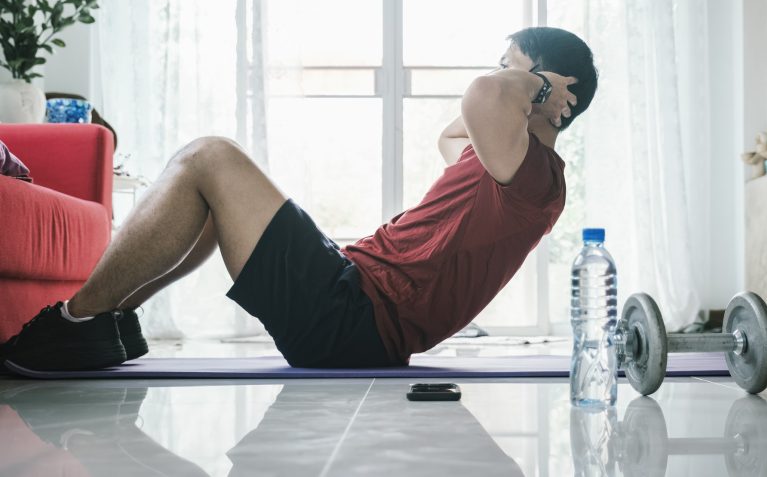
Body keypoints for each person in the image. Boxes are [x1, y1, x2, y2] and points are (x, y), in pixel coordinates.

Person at [0, 26, 598, 371]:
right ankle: (111, 319)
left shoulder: (531, 178)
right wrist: (526, 87)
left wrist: (536, 85)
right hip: (353, 298)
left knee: (209, 156)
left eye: (512, 67)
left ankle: (71, 322)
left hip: (356, 319)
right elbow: (453, 133)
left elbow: (483, 95)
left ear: (546, 92)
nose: (500, 74)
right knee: (214, 194)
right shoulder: (500, 166)